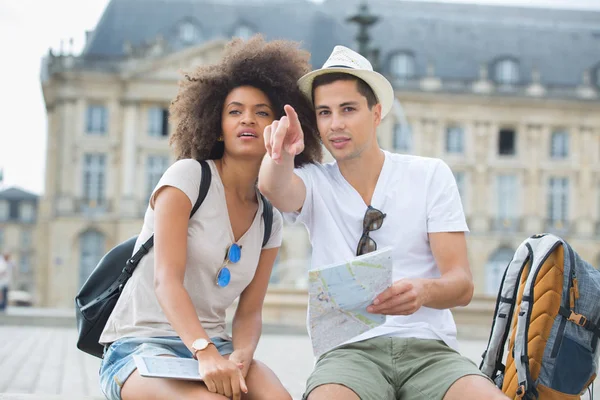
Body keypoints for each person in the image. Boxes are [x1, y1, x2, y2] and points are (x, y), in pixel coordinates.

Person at [258, 46, 508, 400]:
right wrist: (281, 152)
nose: (336, 124)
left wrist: (424, 291)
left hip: (429, 352)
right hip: (348, 353)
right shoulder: (314, 182)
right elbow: (273, 186)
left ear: (376, 114)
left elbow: (462, 285)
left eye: (348, 109)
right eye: (324, 112)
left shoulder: (429, 175)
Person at [98, 35, 322, 400]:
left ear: (277, 128)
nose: (247, 118)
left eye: (261, 112)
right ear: (217, 125)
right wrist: (203, 352)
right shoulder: (187, 177)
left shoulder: (270, 221)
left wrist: (241, 357)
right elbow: (166, 281)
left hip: (218, 347)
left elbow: (249, 313)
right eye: (235, 111)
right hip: (142, 345)